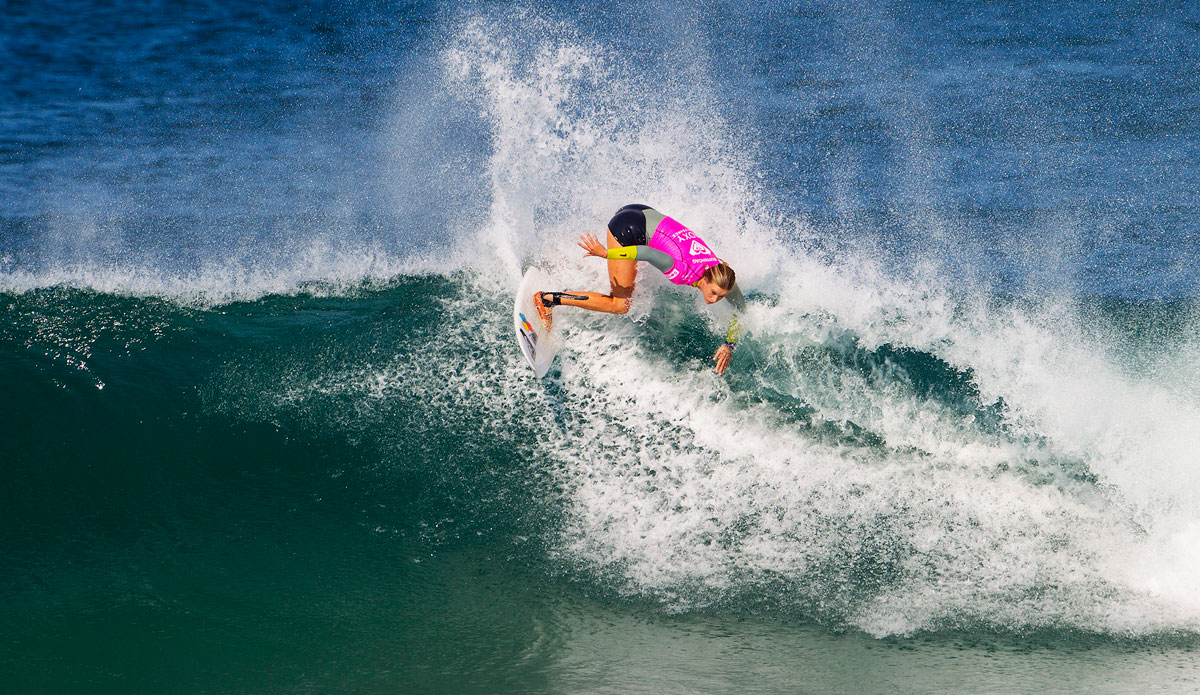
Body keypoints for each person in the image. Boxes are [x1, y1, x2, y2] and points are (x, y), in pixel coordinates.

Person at [533, 203, 745, 375]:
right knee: (620, 304)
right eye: (714, 292)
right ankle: (548, 299)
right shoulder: (682, 270)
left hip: (642, 211)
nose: (715, 298)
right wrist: (607, 253)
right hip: (627, 230)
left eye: (721, 296)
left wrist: (729, 344)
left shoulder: (722, 272)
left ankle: (555, 262)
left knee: (631, 275)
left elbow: (740, 310)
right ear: (706, 278)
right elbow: (648, 254)